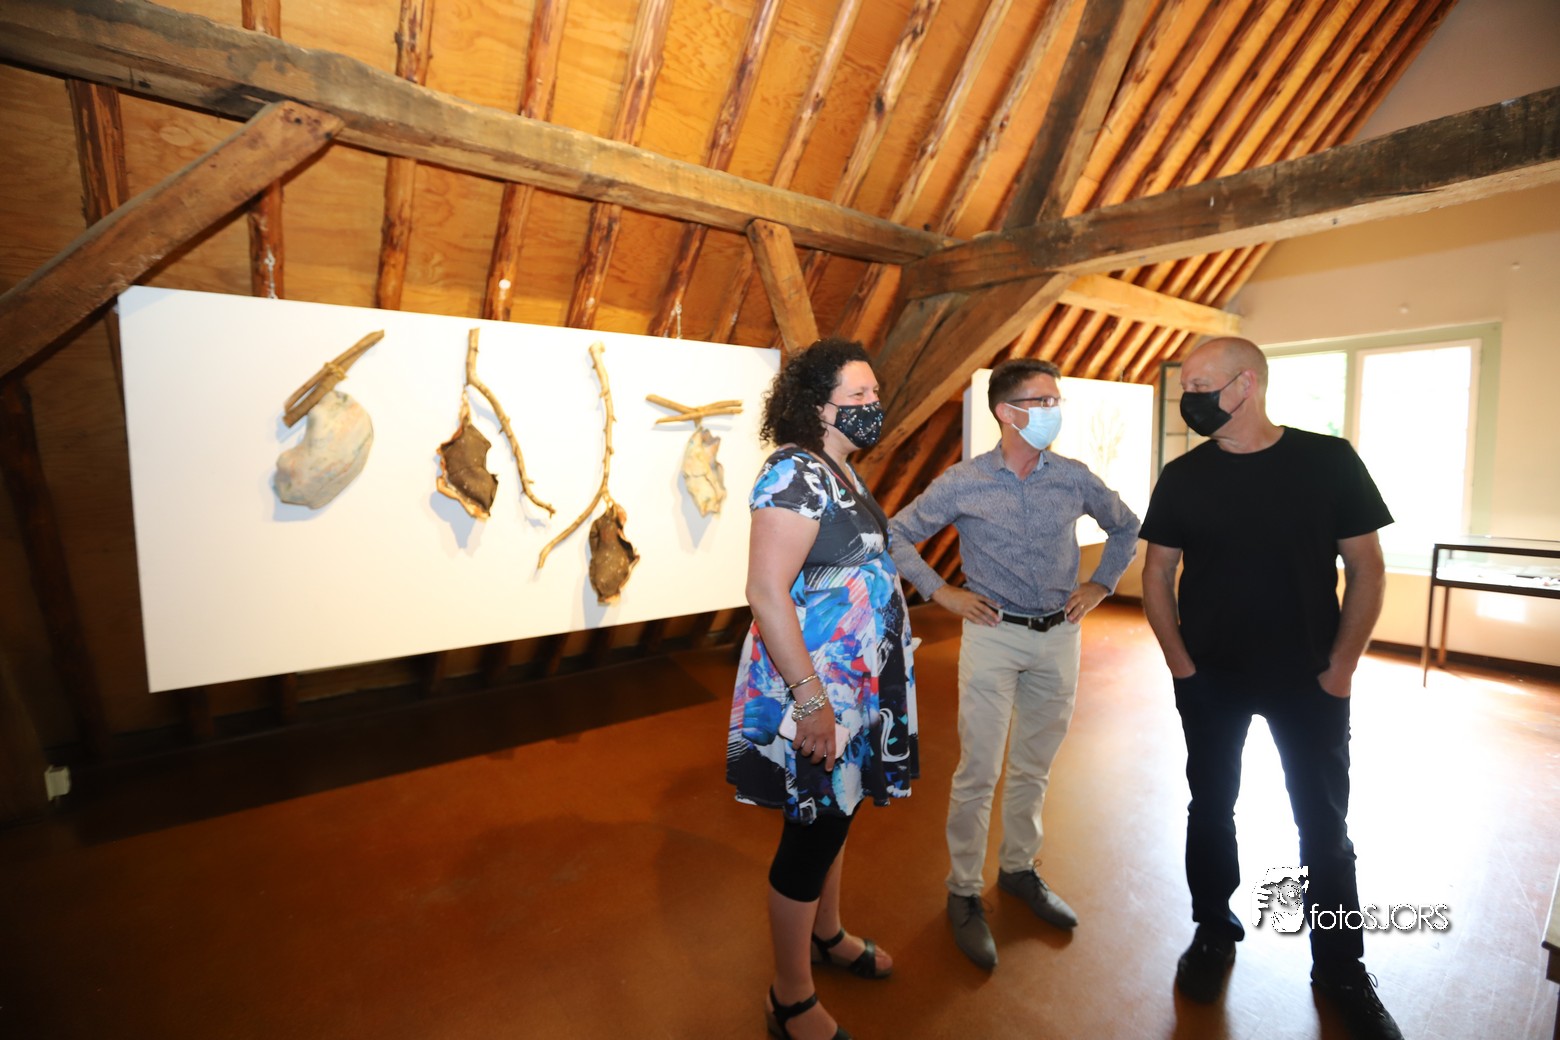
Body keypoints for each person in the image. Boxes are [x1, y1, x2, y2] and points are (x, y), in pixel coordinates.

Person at [1138, 336, 1402, 1040]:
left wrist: (1342, 667)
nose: (1190, 397)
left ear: (1246, 384)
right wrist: (1180, 664)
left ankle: (1341, 967)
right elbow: (1157, 572)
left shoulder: (1329, 461)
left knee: (1323, 826)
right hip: (1211, 680)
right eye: (1186, 386)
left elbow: (1368, 569)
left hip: (1308, 680)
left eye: (1201, 385)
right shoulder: (1183, 475)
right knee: (1210, 808)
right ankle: (1212, 932)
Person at [887, 357, 1139, 970]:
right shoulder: (963, 481)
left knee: (1034, 767)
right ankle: (963, 891)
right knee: (978, 770)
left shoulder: (1072, 477)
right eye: (1041, 401)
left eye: (1056, 401)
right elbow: (894, 534)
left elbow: (1126, 526)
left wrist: (1101, 583)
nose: (1054, 411)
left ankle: (1020, 869)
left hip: (1060, 635)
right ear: (1007, 411)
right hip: (993, 636)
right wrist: (941, 592)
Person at [726, 338, 918, 1040]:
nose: (873, 405)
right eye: (857, 396)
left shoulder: (840, 468)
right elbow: (766, 591)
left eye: (875, 393)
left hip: (855, 686)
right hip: (817, 688)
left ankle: (826, 933)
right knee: (811, 833)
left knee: (837, 811)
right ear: (816, 406)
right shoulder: (794, 473)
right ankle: (790, 996)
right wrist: (811, 701)